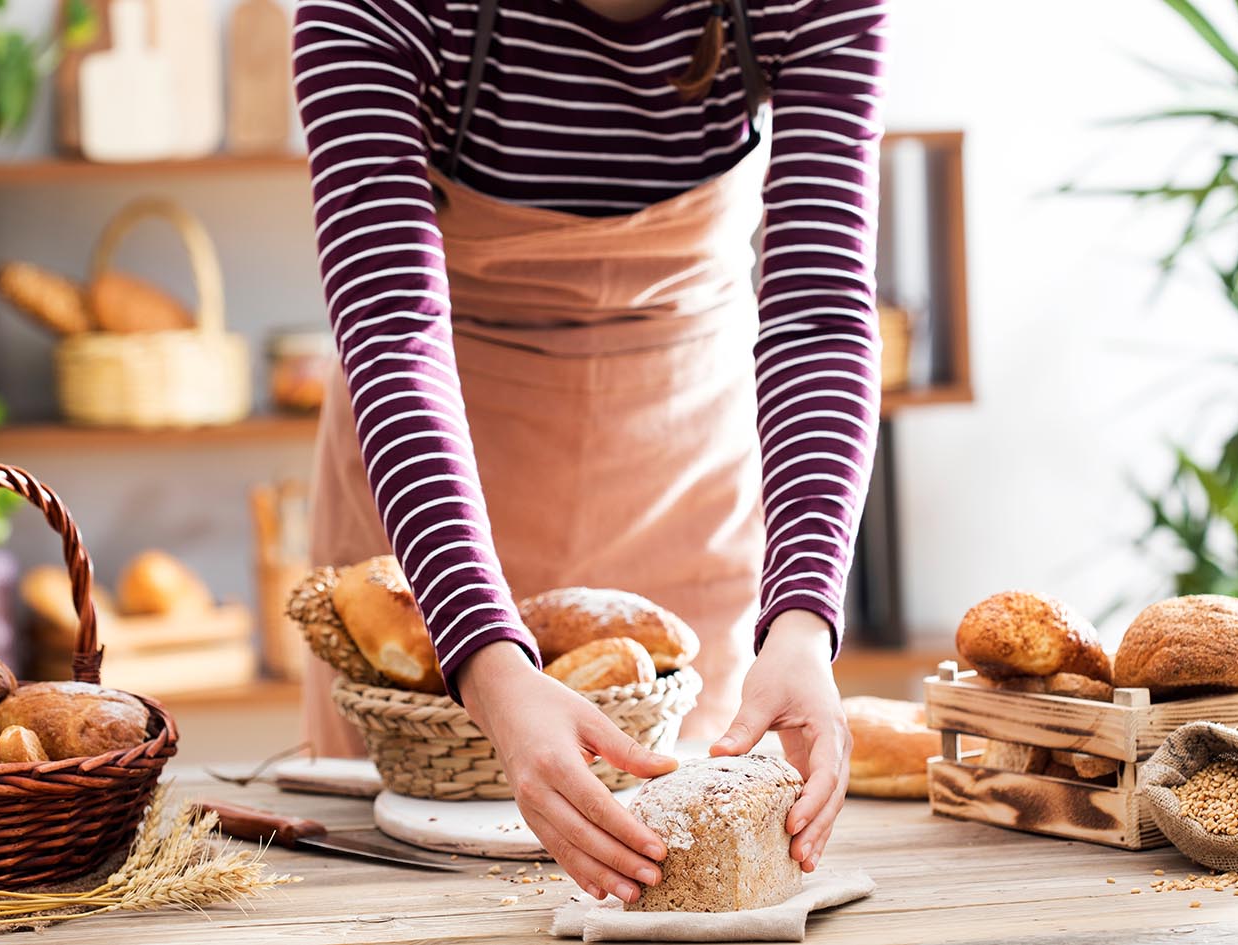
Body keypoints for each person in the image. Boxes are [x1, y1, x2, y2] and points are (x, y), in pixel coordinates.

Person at [293, 0, 887, 906]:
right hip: (433, 496)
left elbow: (816, 314)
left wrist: (801, 623)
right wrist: (486, 667)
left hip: (683, 460)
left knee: (687, 871)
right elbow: (394, 329)